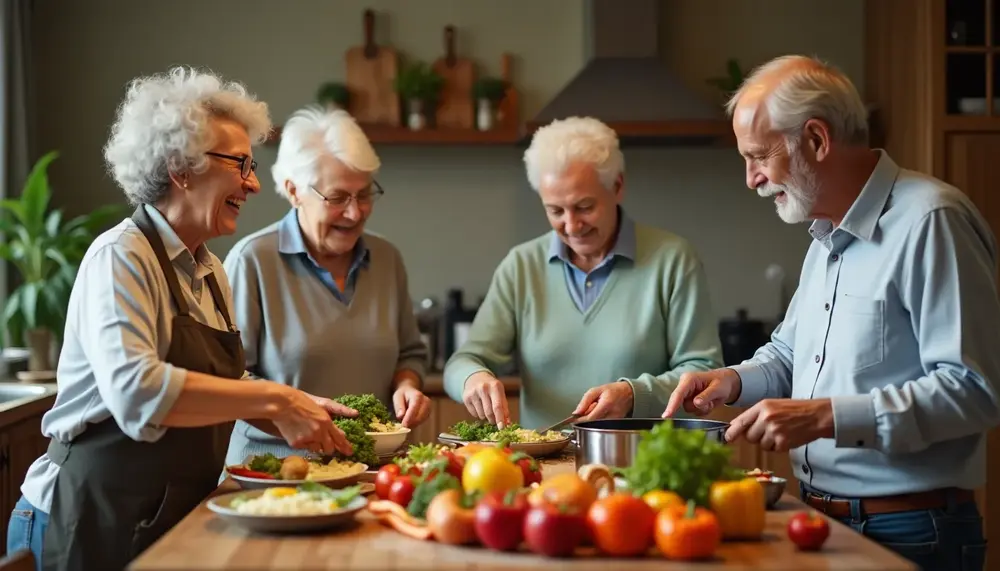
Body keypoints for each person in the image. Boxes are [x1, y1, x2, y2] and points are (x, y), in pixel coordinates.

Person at [6, 67, 357, 571]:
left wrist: (297, 410)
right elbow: (137, 392)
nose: (253, 183)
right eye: (240, 163)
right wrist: (276, 397)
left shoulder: (210, 268)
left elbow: (222, 386)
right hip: (84, 516)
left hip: (163, 516)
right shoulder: (121, 257)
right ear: (181, 167)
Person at [662, 55, 999, 571]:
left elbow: (974, 391)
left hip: (911, 529)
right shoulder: (825, 236)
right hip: (820, 521)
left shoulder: (932, 220)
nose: (751, 179)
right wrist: (729, 380)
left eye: (759, 156)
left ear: (817, 140)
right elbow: (790, 355)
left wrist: (823, 416)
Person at [443, 116, 724, 429]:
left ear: (617, 187)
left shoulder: (672, 259)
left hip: (646, 461)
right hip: (549, 468)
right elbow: (462, 363)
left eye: (585, 206)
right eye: (555, 210)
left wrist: (633, 395)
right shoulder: (521, 266)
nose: (572, 225)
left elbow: (703, 370)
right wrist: (474, 377)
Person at [222, 106, 431, 466]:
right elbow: (229, 380)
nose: (355, 212)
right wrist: (295, 408)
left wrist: (407, 385)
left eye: (364, 194)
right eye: (337, 198)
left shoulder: (387, 259)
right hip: (276, 472)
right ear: (293, 191)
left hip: (370, 468)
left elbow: (409, 353)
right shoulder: (252, 261)